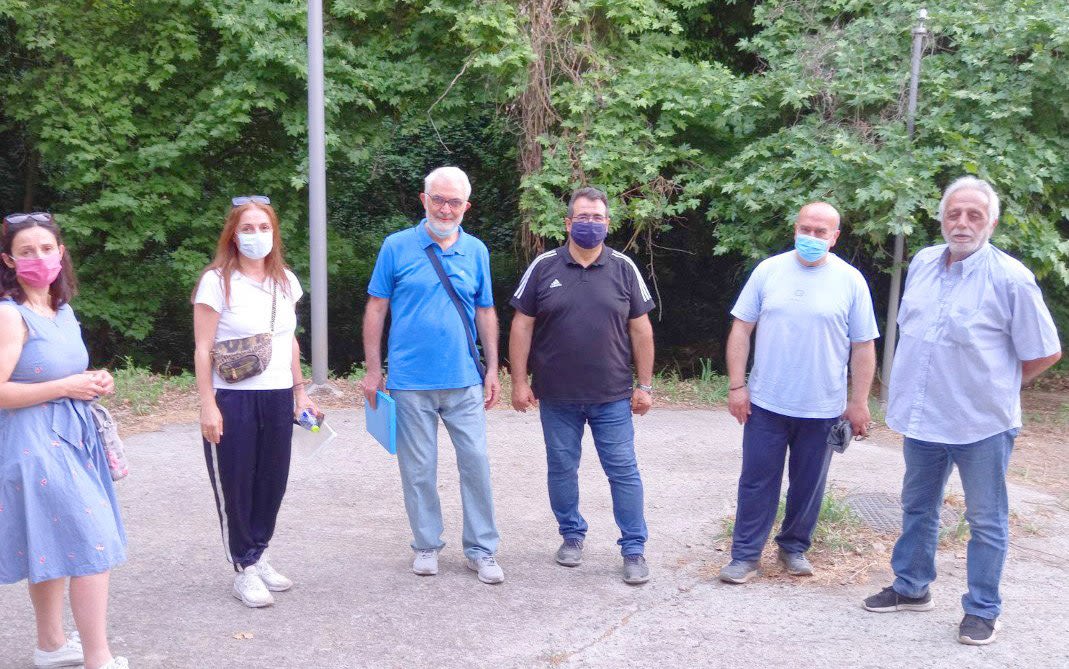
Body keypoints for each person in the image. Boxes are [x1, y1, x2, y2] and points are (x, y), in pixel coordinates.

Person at [863, 177, 1062, 645]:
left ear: (992, 222)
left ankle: (982, 609)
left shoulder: (1011, 278)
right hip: (924, 418)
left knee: (986, 520)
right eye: (954, 213)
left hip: (981, 424)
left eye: (975, 215)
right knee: (918, 506)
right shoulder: (922, 263)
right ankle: (912, 587)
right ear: (941, 218)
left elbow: (1045, 351)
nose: (962, 223)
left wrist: (998, 387)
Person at [719, 202, 879, 584]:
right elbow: (741, 328)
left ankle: (793, 547)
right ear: (795, 229)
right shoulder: (768, 271)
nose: (811, 237)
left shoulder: (851, 281)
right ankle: (745, 556)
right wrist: (737, 385)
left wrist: (858, 403)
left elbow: (863, 345)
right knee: (756, 481)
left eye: (820, 232)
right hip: (766, 403)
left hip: (823, 407)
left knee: (808, 485)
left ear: (834, 237)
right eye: (805, 229)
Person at [362, 167, 504, 584]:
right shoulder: (396, 246)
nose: (445, 208)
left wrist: (493, 368)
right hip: (410, 381)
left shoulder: (476, 250)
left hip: (465, 379)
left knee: (476, 464)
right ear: (423, 200)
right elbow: (376, 308)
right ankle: (426, 545)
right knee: (418, 468)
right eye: (438, 199)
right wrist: (373, 369)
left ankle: (482, 549)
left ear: (466, 207)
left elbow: (485, 310)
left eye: (454, 202)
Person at [0, 212, 128, 669]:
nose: (38, 257)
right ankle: (98, 658)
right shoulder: (9, 315)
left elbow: (64, 370)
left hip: (73, 437)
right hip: (33, 443)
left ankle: (51, 645)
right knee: (94, 543)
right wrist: (64, 387)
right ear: (9, 261)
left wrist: (94, 379)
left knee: (51, 542)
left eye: (46, 248)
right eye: (26, 251)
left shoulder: (62, 311)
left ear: (61, 253)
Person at [509, 187, 656, 585]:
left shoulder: (624, 267)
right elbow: (522, 326)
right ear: (568, 222)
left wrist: (644, 386)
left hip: (613, 396)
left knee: (623, 471)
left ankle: (634, 548)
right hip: (556, 396)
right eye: (583, 217)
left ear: (608, 223)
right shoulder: (544, 266)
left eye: (597, 218)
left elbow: (641, 329)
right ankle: (571, 535)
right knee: (561, 468)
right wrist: (519, 381)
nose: (590, 224)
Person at [192, 196, 316, 608]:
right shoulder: (217, 282)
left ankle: (259, 553)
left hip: (277, 395)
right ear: (233, 234)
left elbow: (289, 340)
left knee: (272, 480)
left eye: (264, 228)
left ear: (274, 234)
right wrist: (208, 404)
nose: (256, 236)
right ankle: (243, 565)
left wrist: (300, 392)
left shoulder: (286, 281)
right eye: (247, 228)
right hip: (233, 397)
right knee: (236, 482)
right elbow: (203, 347)